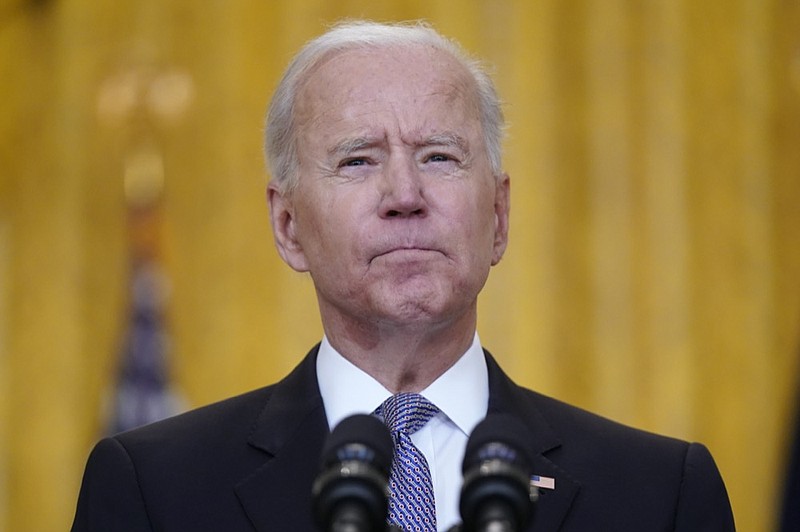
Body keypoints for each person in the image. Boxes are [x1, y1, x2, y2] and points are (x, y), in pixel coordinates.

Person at [71, 20, 735, 531]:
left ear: (499, 216)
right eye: (358, 161)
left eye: (439, 156)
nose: (405, 193)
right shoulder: (155, 489)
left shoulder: (660, 493)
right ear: (288, 225)